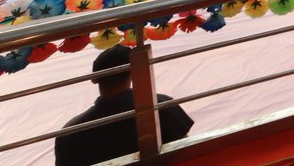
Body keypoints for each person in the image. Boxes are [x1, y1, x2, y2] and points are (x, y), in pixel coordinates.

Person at [54, 44, 193, 165]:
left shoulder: (69, 133)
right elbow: (187, 151)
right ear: (134, 73)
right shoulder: (162, 105)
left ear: (94, 79)